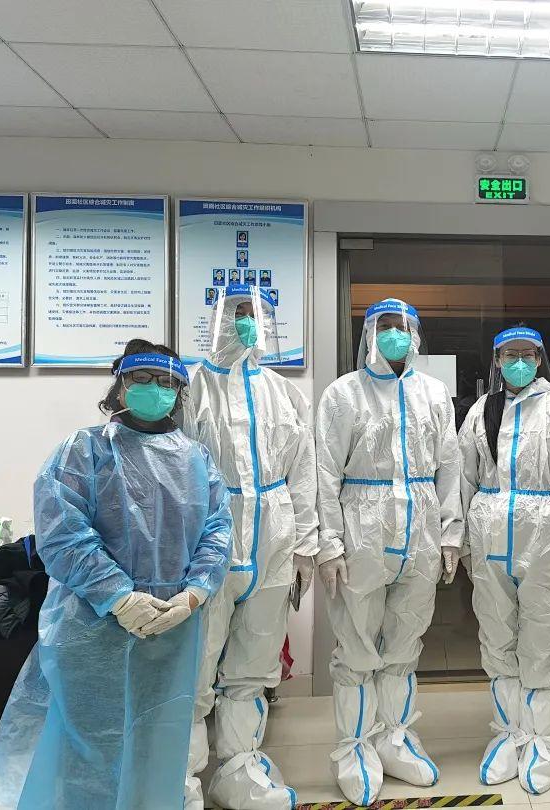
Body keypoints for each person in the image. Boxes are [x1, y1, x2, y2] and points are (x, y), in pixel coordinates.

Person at [0, 342, 232, 810]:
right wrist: (119, 597)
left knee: (157, 738)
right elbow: (62, 534)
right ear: (119, 387)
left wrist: (194, 593)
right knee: (91, 745)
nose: (155, 389)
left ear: (180, 394)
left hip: (172, 629)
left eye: (167, 382)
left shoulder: (197, 460)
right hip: (91, 627)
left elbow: (217, 531)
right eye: (142, 380)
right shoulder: (84, 451)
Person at [316, 298, 463, 805]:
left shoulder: (434, 393)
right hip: (362, 530)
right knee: (356, 644)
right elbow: (324, 471)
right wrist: (330, 543)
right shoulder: (343, 393)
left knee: (405, 640)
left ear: (417, 334)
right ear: (370, 333)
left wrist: (450, 533)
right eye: (386, 326)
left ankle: (394, 738)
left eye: (404, 326)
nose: (396, 334)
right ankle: (355, 748)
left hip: (420, 529)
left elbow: (450, 466)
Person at [180, 285, 320, 810]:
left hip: (273, 540)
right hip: (211, 541)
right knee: (195, 667)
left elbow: (302, 471)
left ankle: (238, 769)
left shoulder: (283, 392)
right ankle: (182, 781)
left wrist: (305, 542)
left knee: (253, 664)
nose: (246, 322)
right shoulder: (191, 388)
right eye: (237, 313)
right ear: (217, 320)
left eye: (255, 314)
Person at [458, 326, 550, 794]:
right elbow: (463, 479)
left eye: (527, 354)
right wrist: (463, 542)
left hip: (544, 541)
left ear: (539, 358)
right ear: (497, 360)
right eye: (509, 354)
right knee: (497, 637)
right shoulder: (481, 410)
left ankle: (540, 741)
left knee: (542, 639)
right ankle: (508, 735)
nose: (518, 362)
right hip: (490, 536)